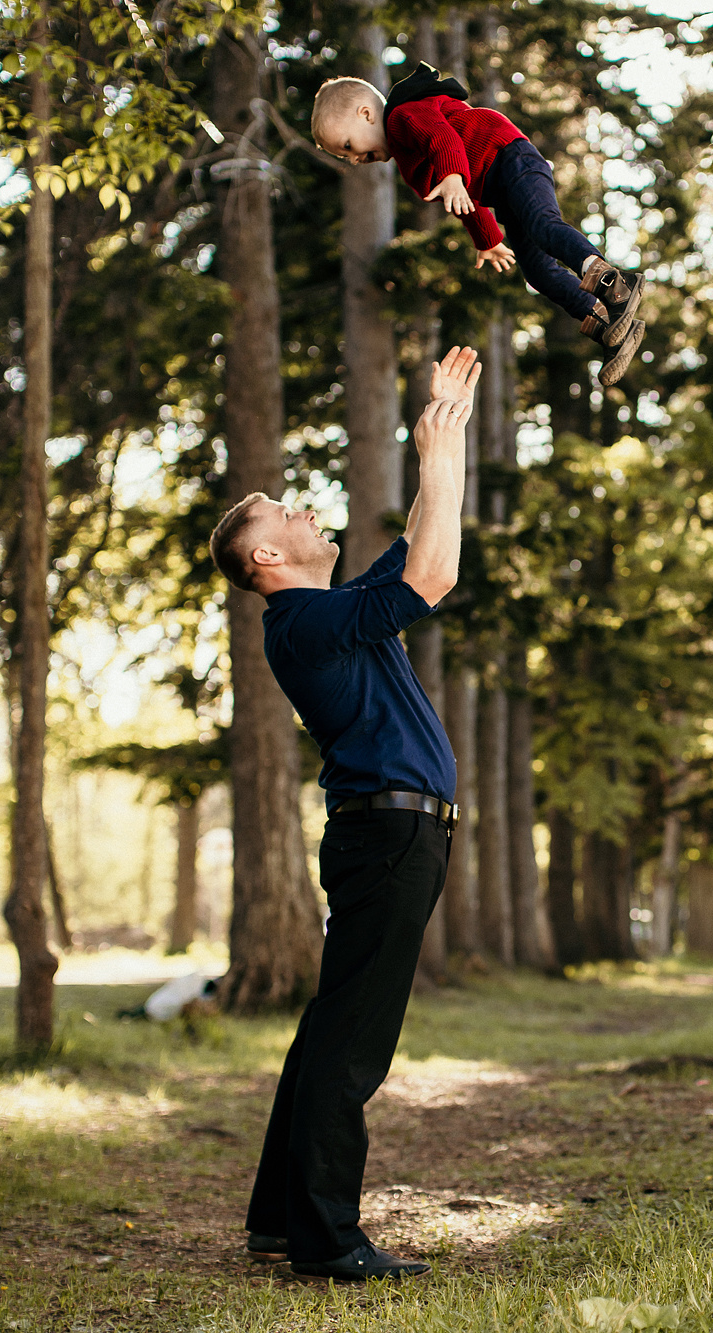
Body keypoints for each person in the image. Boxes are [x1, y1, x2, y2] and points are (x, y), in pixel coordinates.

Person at [206, 346, 483, 1281]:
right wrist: (437, 447)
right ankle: (328, 1242)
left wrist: (442, 439)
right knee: (353, 1042)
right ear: (268, 556)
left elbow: (416, 547)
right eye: (287, 513)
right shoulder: (306, 623)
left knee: (331, 1026)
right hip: (388, 834)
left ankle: (279, 1221)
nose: (305, 509)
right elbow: (436, 577)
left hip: (387, 832)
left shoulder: (328, 608)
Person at [312, 63, 647, 387]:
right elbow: (462, 202)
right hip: (501, 187)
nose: (354, 159)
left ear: (366, 114)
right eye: (346, 158)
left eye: (347, 146)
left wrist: (453, 175)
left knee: (543, 226)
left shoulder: (404, 115)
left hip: (511, 157)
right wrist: (486, 239)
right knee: (538, 272)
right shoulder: (408, 163)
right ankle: (607, 324)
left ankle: (612, 284)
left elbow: (444, 138)